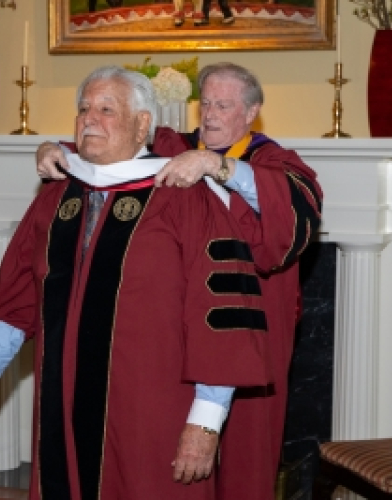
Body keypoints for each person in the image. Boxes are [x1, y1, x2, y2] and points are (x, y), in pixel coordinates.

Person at [0, 65, 273, 500]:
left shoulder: (186, 196)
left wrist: (205, 422)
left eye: (107, 109)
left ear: (143, 123)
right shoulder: (57, 196)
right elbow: (17, 299)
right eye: (84, 108)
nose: (89, 118)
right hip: (61, 415)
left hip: (154, 416)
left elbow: (220, 318)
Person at [35, 62, 323, 500]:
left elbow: (292, 220)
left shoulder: (274, 162)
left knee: (244, 459)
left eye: (223, 105)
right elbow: (114, 142)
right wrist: (53, 147)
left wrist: (216, 165)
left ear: (252, 113)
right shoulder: (175, 147)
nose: (209, 115)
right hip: (184, 333)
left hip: (249, 323)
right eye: (205, 102)